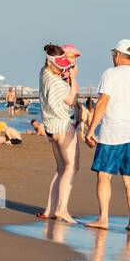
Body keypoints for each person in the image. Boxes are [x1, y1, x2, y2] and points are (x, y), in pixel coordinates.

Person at [82, 39, 130, 231]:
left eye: (113, 53)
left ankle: (104, 219)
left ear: (118, 55)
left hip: (111, 135)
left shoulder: (110, 74)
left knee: (104, 176)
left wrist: (90, 130)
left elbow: (103, 102)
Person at [38, 44, 80, 222]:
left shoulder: (43, 73)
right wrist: (73, 79)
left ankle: (50, 209)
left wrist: (64, 69)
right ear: (50, 62)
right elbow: (71, 100)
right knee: (71, 167)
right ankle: (62, 209)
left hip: (50, 127)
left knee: (61, 168)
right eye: (59, 65)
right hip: (63, 126)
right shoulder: (56, 81)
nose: (62, 69)